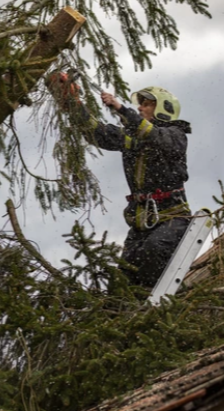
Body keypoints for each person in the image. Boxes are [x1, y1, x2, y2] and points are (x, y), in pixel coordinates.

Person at [49, 74, 192, 288]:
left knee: (154, 251)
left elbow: (153, 135)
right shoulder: (133, 139)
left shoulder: (175, 135)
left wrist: (121, 109)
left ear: (164, 109)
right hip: (141, 223)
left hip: (173, 218)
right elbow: (97, 132)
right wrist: (73, 105)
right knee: (123, 280)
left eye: (147, 105)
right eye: (140, 105)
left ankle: (168, 306)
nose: (141, 108)